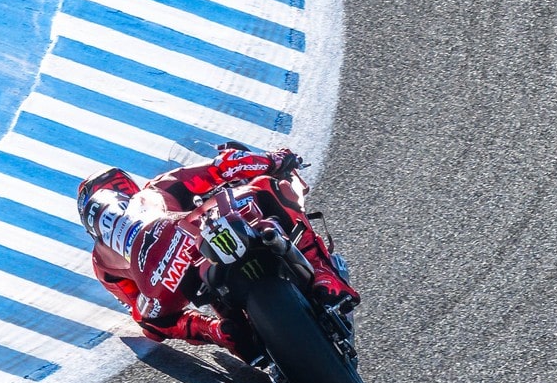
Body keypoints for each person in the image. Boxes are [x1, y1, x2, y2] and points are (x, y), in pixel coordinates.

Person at [75, 145, 360, 360]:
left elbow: (145, 318)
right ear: (126, 186)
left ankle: (219, 332)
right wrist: (275, 160)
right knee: (269, 187)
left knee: (152, 321)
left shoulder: (101, 260)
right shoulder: (158, 188)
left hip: (162, 282)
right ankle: (324, 276)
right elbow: (223, 167)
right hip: (189, 234)